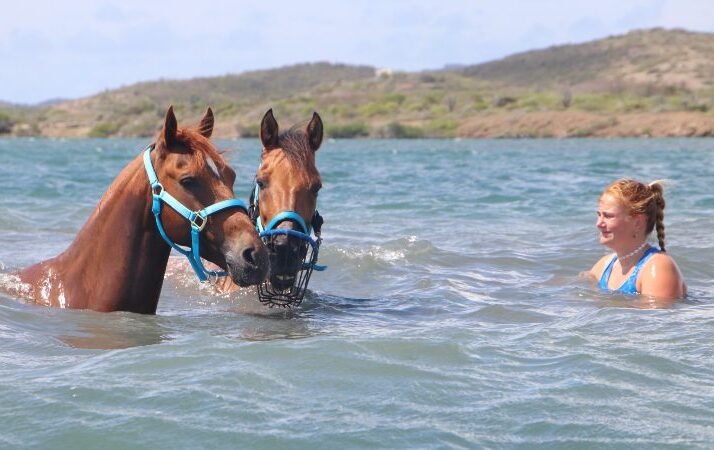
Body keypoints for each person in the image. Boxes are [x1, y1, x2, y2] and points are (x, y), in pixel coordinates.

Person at [587, 178, 686, 303]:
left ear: (637, 222)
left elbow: (659, 320)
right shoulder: (605, 264)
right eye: (599, 215)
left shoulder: (657, 267)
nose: (599, 223)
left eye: (608, 216)